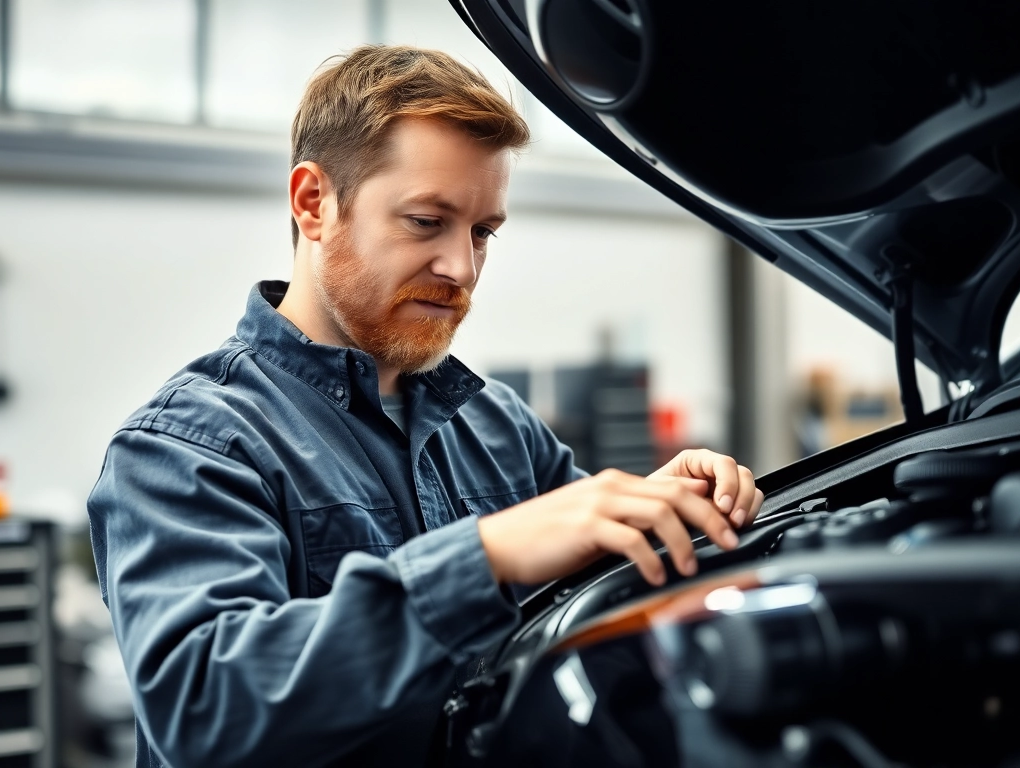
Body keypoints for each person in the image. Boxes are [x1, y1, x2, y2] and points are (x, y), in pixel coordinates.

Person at [87, 45, 763, 767]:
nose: (462, 269)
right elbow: (203, 709)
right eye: (424, 221)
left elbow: (605, 601)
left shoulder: (499, 427)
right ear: (314, 203)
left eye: (482, 232)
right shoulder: (186, 447)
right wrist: (486, 555)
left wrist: (666, 515)